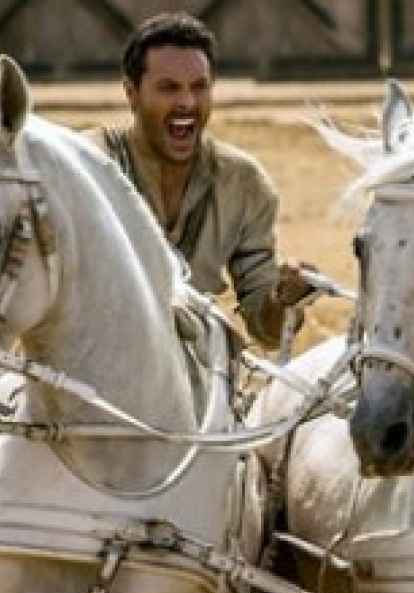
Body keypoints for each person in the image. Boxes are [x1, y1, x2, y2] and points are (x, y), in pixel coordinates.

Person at [86, 12, 315, 350]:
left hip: (193, 374)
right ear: (131, 93)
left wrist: (284, 300)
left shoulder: (244, 184)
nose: (187, 103)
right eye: (168, 88)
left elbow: (267, 333)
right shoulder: (86, 163)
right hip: (89, 367)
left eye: (199, 87)